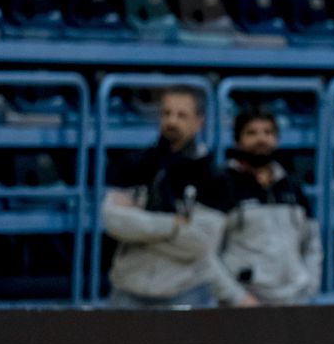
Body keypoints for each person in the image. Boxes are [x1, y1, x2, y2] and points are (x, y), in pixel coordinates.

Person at [101, 85, 235, 308]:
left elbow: (200, 243)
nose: (172, 121)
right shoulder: (134, 164)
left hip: (186, 292)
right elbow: (113, 222)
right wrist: (173, 225)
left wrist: (140, 228)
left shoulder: (213, 176)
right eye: (166, 113)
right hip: (127, 289)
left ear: (199, 121)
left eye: (181, 115)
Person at [214, 107, 322, 305]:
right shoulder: (221, 184)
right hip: (242, 303)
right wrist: (237, 297)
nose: (261, 139)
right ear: (238, 140)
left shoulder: (292, 185)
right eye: (252, 133)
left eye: (268, 132)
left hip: (293, 300)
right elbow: (208, 253)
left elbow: (312, 243)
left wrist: (308, 285)